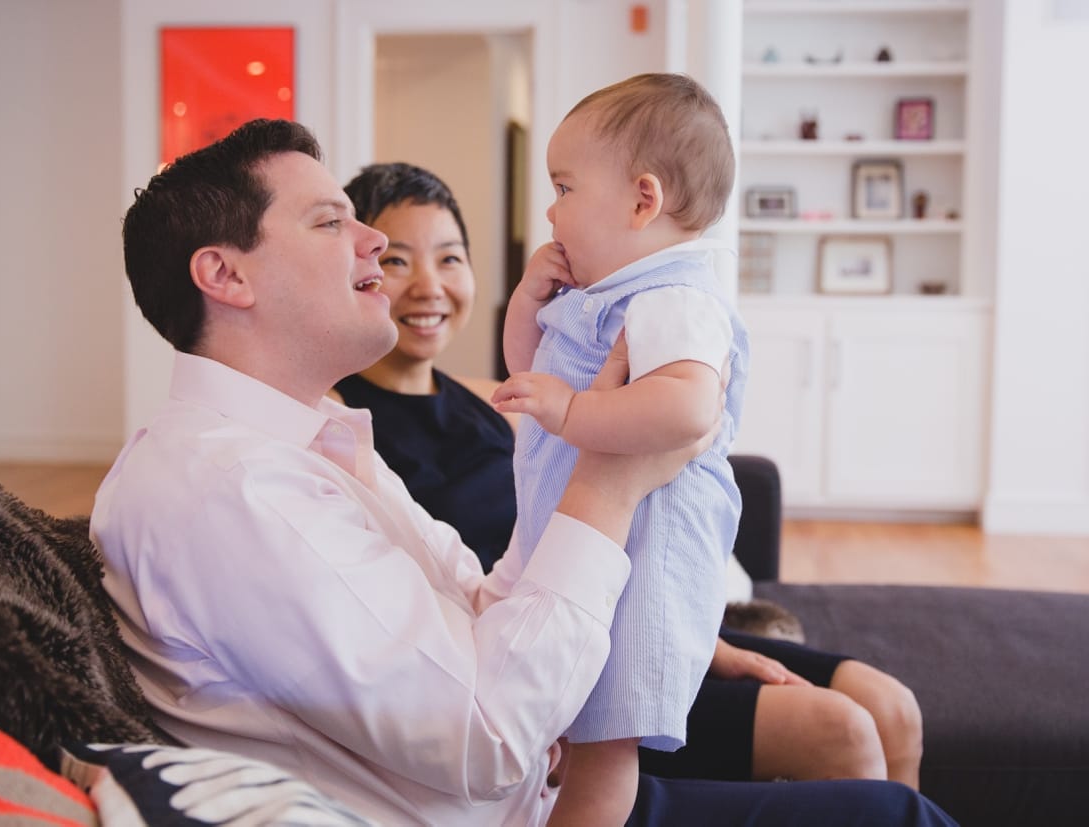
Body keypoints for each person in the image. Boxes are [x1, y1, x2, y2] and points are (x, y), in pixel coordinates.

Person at [92, 117, 956, 826]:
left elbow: (483, 597)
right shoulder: (228, 490)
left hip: (548, 777)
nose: (372, 241)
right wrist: (610, 476)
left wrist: (659, 620)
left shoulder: (313, 434)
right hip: (529, 802)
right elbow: (489, 733)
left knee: (880, 796)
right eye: (330, 222)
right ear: (225, 274)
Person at [334, 161, 923, 792]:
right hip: (553, 658)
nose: (430, 286)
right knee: (842, 730)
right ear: (360, 270)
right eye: (398, 261)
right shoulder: (345, 424)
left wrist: (698, 635)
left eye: (450, 259)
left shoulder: (488, 399)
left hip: (627, 608)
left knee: (890, 706)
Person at [488, 72, 747, 824]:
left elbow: (687, 407)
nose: (551, 208)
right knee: (569, 721)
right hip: (594, 544)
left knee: (604, 743)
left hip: (644, 553)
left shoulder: (675, 297)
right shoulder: (606, 292)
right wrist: (529, 303)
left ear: (643, 199)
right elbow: (525, 373)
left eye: (565, 187)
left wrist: (573, 408)